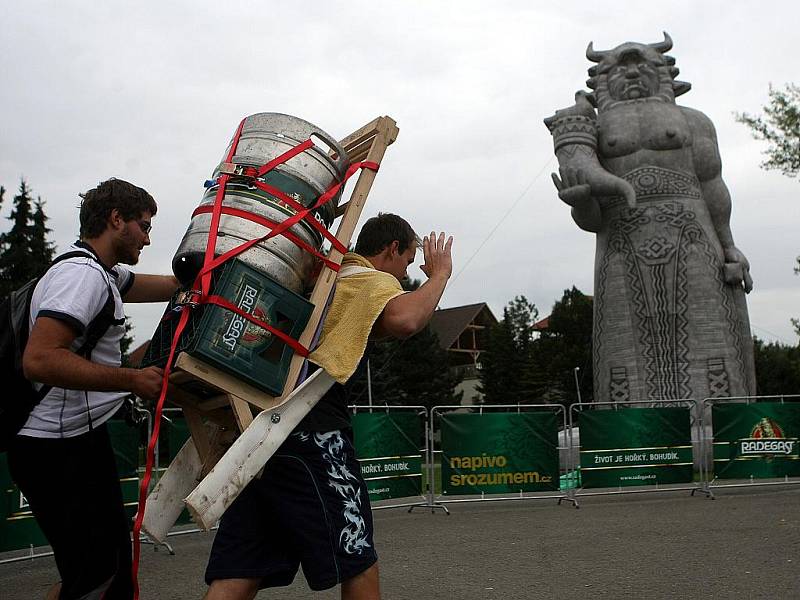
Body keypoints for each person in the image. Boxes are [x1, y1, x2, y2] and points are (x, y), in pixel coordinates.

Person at [204, 213, 454, 600]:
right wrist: (440, 277)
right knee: (358, 554)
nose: (405, 277)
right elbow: (406, 319)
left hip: (259, 429)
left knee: (241, 568)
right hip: (312, 427)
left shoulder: (326, 277)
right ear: (391, 249)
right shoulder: (368, 280)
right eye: (406, 262)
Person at [544, 33, 756, 405]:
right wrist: (579, 203)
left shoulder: (695, 121)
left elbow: (712, 185)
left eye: (643, 65)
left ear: (664, 72)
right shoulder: (590, 130)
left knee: (709, 332)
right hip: (620, 240)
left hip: (692, 233)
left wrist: (729, 246)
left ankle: (720, 426)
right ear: (601, 81)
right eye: (620, 70)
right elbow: (592, 218)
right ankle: (633, 433)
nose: (632, 74)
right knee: (624, 342)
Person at [6, 178, 180, 600]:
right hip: (54, 449)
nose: (148, 236)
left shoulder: (101, 272)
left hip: (76, 441)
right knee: (98, 576)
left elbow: (169, 285)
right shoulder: (80, 276)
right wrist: (131, 379)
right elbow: (41, 358)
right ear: (116, 219)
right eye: (143, 225)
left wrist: (205, 273)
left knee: (101, 570)